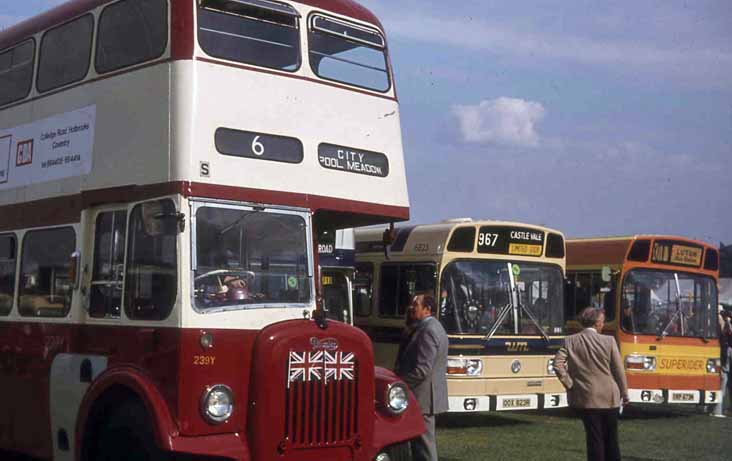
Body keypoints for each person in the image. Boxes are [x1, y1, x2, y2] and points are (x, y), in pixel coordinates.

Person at [554, 307, 629, 461]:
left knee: (594, 439)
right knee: (611, 440)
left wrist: (570, 384)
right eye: (602, 322)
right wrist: (625, 392)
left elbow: (557, 365)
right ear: (596, 323)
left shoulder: (570, 341)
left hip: (586, 397)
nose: (603, 325)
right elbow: (618, 369)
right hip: (610, 397)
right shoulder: (609, 341)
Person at [395, 293, 449, 461]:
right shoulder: (428, 327)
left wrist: (398, 384)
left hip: (423, 398)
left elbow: (422, 370)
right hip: (423, 397)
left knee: (424, 446)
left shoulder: (429, 330)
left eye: (416, 304)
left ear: (427, 309)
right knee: (420, 444)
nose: (412, 307)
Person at [713, 304, 732, 417]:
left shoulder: (721, 322)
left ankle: (718, 409)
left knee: (723, 380)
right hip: (725, 351)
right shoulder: (722, 322)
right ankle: (718, 409)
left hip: (725, 351)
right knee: (724, 380)